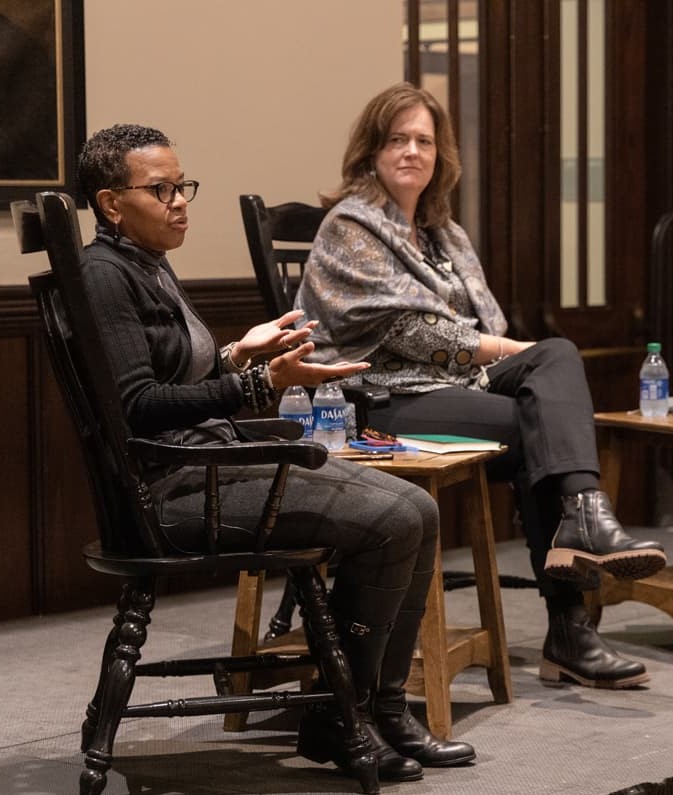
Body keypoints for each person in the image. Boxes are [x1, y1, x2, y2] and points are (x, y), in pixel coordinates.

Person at [76, 123, 476, 784]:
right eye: (160, 190)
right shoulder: (103, 275)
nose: (179, 201)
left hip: (205, 463)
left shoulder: (143, 262)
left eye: (183, 186)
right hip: (172, 488)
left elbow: (173, 378)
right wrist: (260, 383)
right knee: (396, 519)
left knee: (417, 508)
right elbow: (138, 407)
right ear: (110, 204)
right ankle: (343, 718)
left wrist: (241, 352)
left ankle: (376, 707)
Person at [295, 82, 667, 688]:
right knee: (539, 423)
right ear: (371, 151)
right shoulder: (349, 227)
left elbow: (480, 327)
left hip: (455, 386)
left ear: (441, 155)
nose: (412, 151)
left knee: (558, 357)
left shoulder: (447, 235)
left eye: (425, 140)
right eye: (397, 140)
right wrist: (506, 350)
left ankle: (583, 518)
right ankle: (573, 618)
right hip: (377, 403)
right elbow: (410, 332)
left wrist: (503, 351)